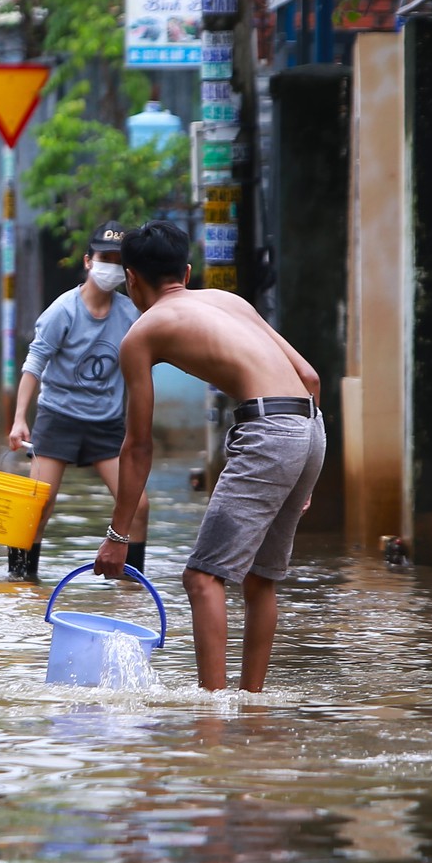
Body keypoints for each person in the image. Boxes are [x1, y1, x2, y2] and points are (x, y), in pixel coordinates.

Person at [95, 220, 325, 692]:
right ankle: (251, 706)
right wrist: (302, 473)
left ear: (131, 279)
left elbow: (138, 446)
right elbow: (310, 376)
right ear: (186, 269)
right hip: (309, 427)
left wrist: (118, 536)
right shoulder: (230, 301)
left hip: (267, 433)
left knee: (202, 578)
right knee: (260, 579)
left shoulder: (142, 334)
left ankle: (213, 717)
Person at [3, 219, 147, 581]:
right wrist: (20, 417)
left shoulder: (131, 314)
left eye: (118, 260)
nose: (110, 266)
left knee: (139, 506)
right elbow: (34, 363)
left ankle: (132, 591)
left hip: (106, 424)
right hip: (59, 418)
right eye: (105, 258)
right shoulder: (63, 311)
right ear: (88, 261)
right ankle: (21, 584)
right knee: (38, 505)